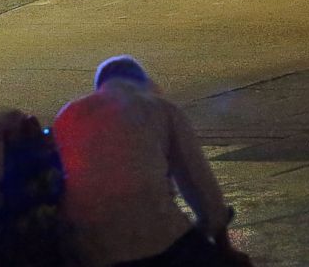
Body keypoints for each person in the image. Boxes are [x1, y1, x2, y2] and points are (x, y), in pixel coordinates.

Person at [53, 56, 252, 267]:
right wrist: (224, 248)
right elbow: (200, 183)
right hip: (159, 241)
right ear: (142, 82)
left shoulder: (69, 114)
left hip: (90, 249)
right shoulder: (162, 108)